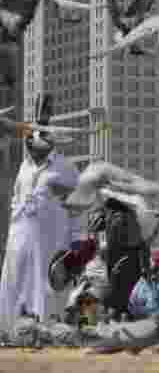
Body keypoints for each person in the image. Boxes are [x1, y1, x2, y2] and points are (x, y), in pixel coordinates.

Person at [0, 133, 81, 332]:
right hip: (19, 236)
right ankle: (9, 330)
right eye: (29, 141)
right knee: (14, 282)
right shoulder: (24, 167)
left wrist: (76, 241)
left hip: (51, 240)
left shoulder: (66, 168)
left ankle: (46, 331)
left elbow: (77, 207)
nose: (31, 144)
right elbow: (16, 200)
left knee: (45, 287)